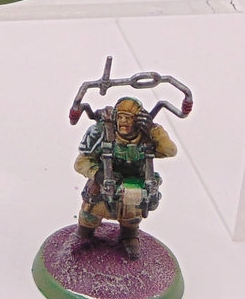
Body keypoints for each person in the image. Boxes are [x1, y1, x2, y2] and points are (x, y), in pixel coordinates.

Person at [73, 96, 177, 259]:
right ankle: (83, 237)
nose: (123, 122)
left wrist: (154, 130)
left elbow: (170, 151)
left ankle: (128, 237)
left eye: (128, 118)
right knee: (90, 214)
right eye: (120, 117)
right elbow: (81, 162)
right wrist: (98, 174)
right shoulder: (102, 133)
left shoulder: (147, 136)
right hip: (104, 186)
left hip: (134, 188)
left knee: (131, 218)